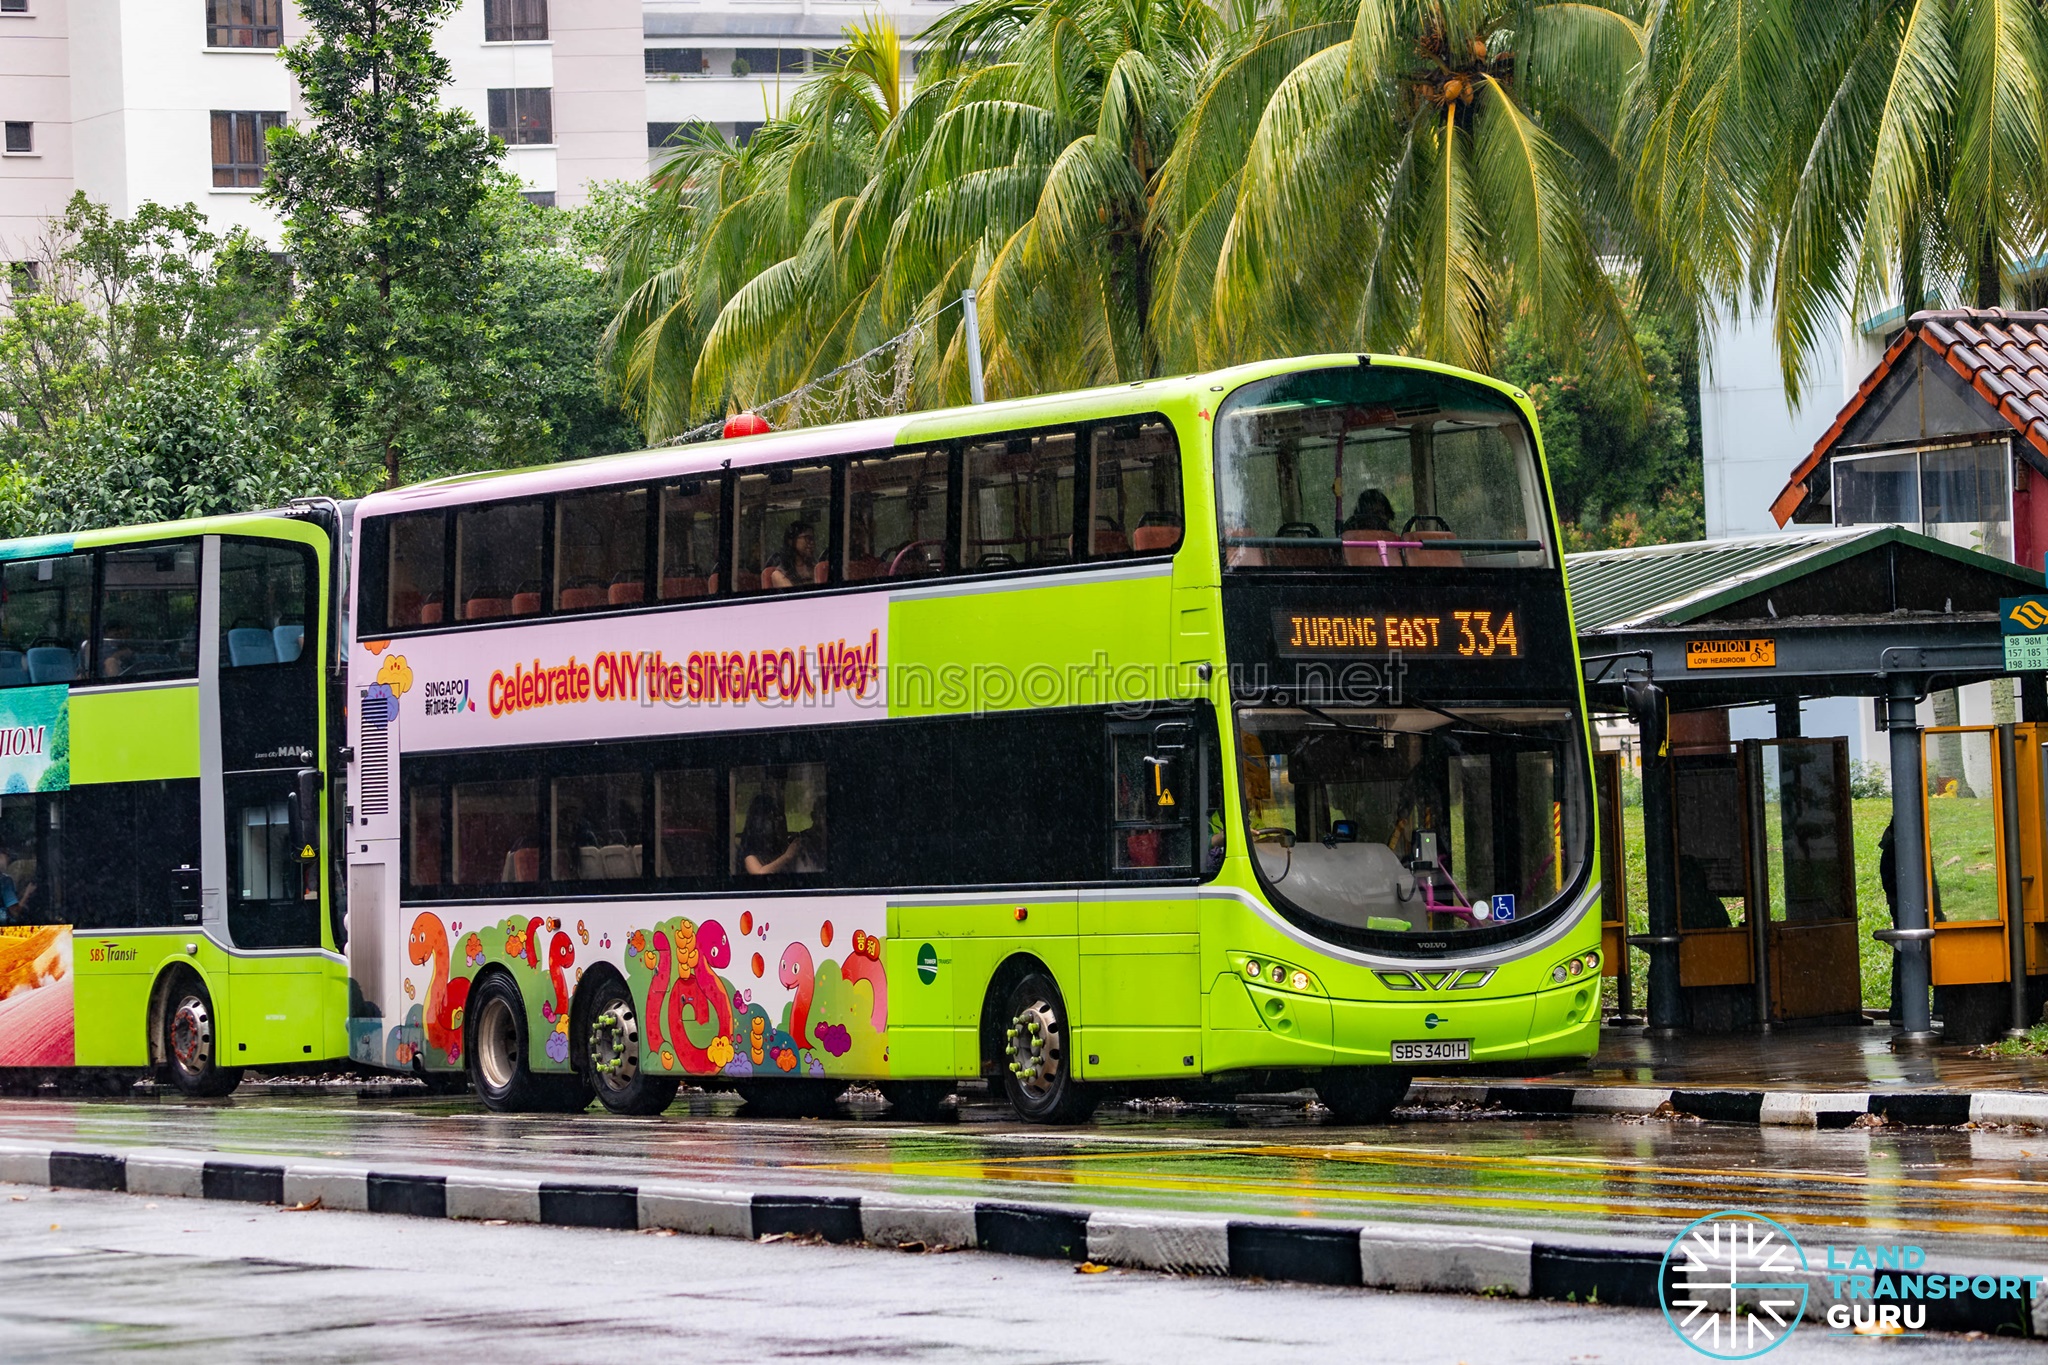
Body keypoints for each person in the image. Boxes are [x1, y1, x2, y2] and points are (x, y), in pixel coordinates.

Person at [738, 790, 808, 875]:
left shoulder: (777, 847)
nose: (779, 823)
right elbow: (759, 873)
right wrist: (787, 856)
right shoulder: (749, 850)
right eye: (772, 818)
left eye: (780, 818)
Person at [764, 522, 818, 590]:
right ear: (791, 541)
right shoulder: (779, 574)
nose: (812, 542)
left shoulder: (815, 568)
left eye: (812, 538)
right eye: (807, 538)